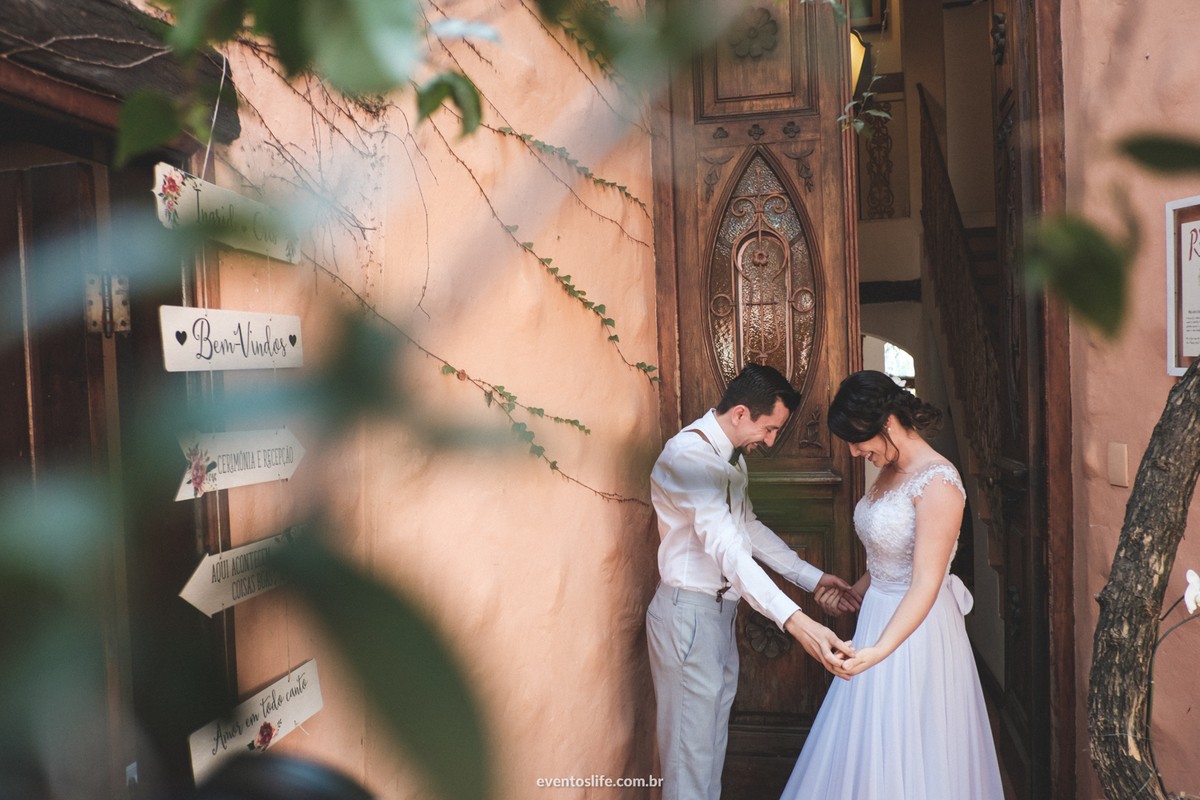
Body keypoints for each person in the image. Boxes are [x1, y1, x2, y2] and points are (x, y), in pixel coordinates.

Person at [779, 370, 1004, 800]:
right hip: (877, 616)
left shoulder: (939, 482)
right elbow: (889, 557)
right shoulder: (889, 467)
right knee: (869, 742)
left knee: (912, 743)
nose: (852, 450)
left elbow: (924, 581)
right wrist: (854, 593)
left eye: (856, 439)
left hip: (916, 630)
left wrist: (880, 650)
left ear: (884, 424)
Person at [646, 363, 861, 800]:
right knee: (688, 764)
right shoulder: (689, 457)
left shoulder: (732, 461)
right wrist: (797, 622)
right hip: (688, 616)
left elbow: (748, 528)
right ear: (741, 413)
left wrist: (814, 576)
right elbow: (728, 549)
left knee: (709, 753)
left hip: (720, 616)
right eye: (769, 429)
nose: (769, 442)